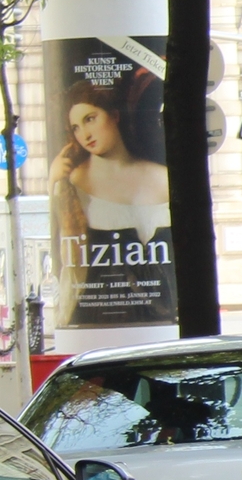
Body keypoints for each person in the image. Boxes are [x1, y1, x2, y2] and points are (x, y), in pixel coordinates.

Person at [48, 76, 173, 326]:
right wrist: (52, 183)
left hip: (161, 320)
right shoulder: (71, 184)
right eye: (75, 127)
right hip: (92, 320)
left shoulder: (163, 177)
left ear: (114, 116)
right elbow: (66, 268)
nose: (84, 134)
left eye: (90, 119)